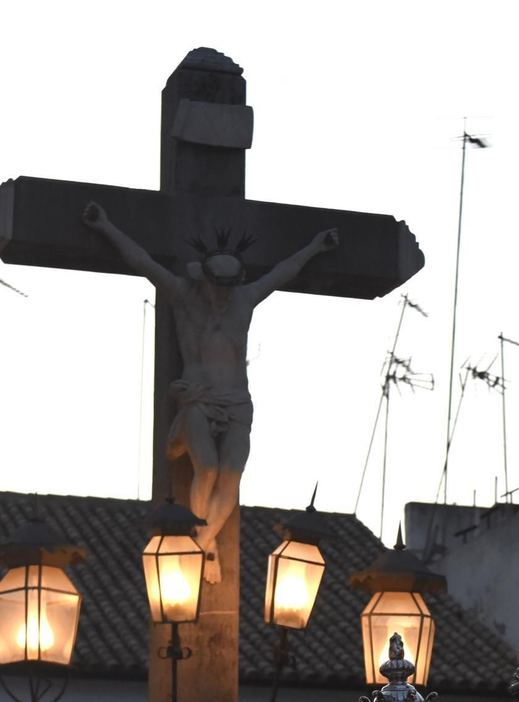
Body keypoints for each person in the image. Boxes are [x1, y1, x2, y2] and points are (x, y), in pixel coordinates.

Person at [82, 201, 338, 581]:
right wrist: (105, 226)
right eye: (217, 286)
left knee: (232, 473)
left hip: (237, 402)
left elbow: (283, 272)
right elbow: (142, 261)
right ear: (204, 278)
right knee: (209, 468)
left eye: (228, 287)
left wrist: (315, 247)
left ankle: (202, 541)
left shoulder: (245, 300)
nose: (223, 294)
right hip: (199, 398)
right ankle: (203, 541)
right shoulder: (183, 296)